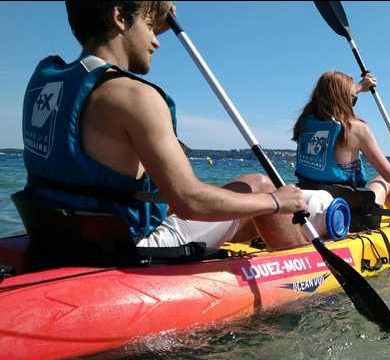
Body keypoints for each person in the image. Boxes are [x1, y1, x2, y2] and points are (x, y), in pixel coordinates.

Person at [19, 0, 309, 253]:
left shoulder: (46, 83)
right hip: (127, 249)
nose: (156, 40)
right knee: (257, 184)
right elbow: (189, 202)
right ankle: (304, 272)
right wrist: (275, 201)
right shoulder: (135, 96)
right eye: (148, 26)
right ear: (119, 18)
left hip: (59, 237)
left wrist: (148, 14)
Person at [292, 71, 390, 218]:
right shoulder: (356, 129)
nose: (353, 102)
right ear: (344, 99)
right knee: (385, 181)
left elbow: (335, 94)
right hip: (351, 211)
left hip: (313, 201)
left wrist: (361, 87)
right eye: (353, 99)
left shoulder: (305, 123)